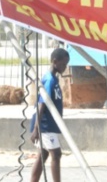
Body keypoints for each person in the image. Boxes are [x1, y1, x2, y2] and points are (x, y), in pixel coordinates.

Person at [31, 47, 70, 182]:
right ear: (55, 61)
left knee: (43, 155)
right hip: (45, 124)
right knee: (56, 154)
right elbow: (42, 103)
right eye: (63, 64)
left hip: (50, 124)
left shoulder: (54, 79)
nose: (65, 67)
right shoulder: (49, 80)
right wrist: (36, 128)